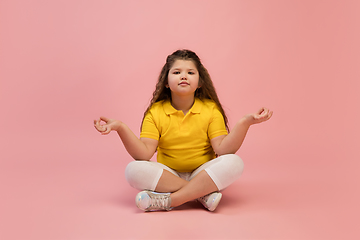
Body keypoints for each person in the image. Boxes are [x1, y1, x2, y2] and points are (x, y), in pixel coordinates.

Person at [94, 49, 272, 212]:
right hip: (168, 174)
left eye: (190, 72)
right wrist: (120, 127)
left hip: (204, 173)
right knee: (132, 170)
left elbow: (223, 150)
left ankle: (171, 200)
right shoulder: (155, 112)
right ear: (166, 82)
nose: (183, 76)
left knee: (235, 162)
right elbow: (144, 153)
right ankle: (202, 194)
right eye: (177, 72)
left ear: (200, 82)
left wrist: (245, 122)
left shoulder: (210, 109)